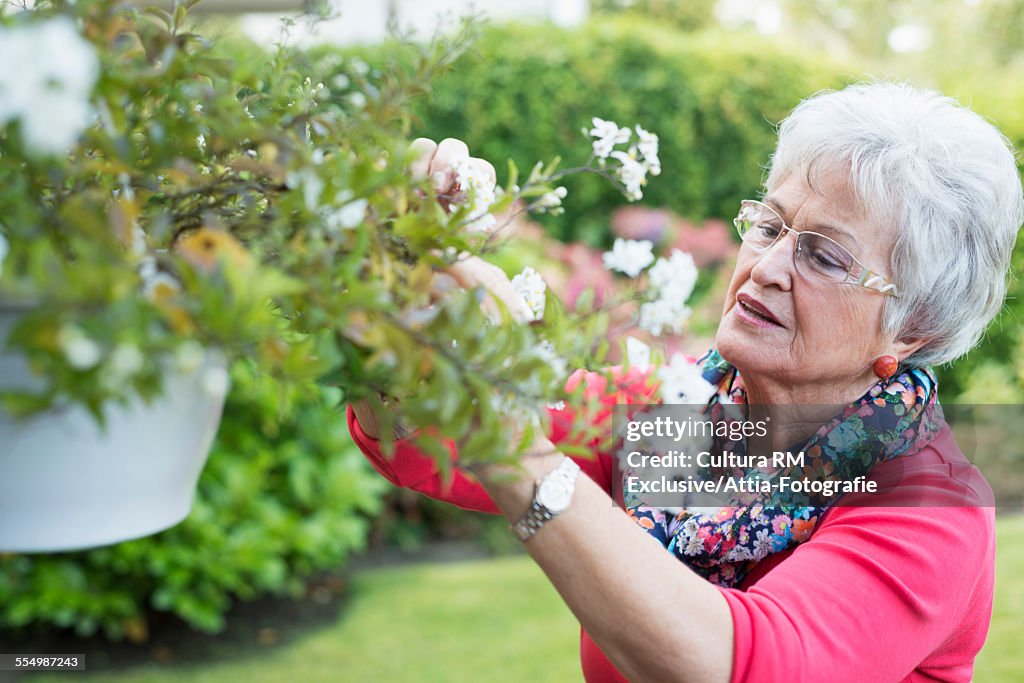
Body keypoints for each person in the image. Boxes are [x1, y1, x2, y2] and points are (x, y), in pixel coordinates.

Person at [348, 82, 1023, 682]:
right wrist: (403, 273)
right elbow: (420, 437)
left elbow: (744, 665)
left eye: (823, 255)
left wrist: (509, 441)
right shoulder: (678, 415)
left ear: (915, 329)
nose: (766, 267)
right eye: (770, 226)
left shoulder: (929, 503)